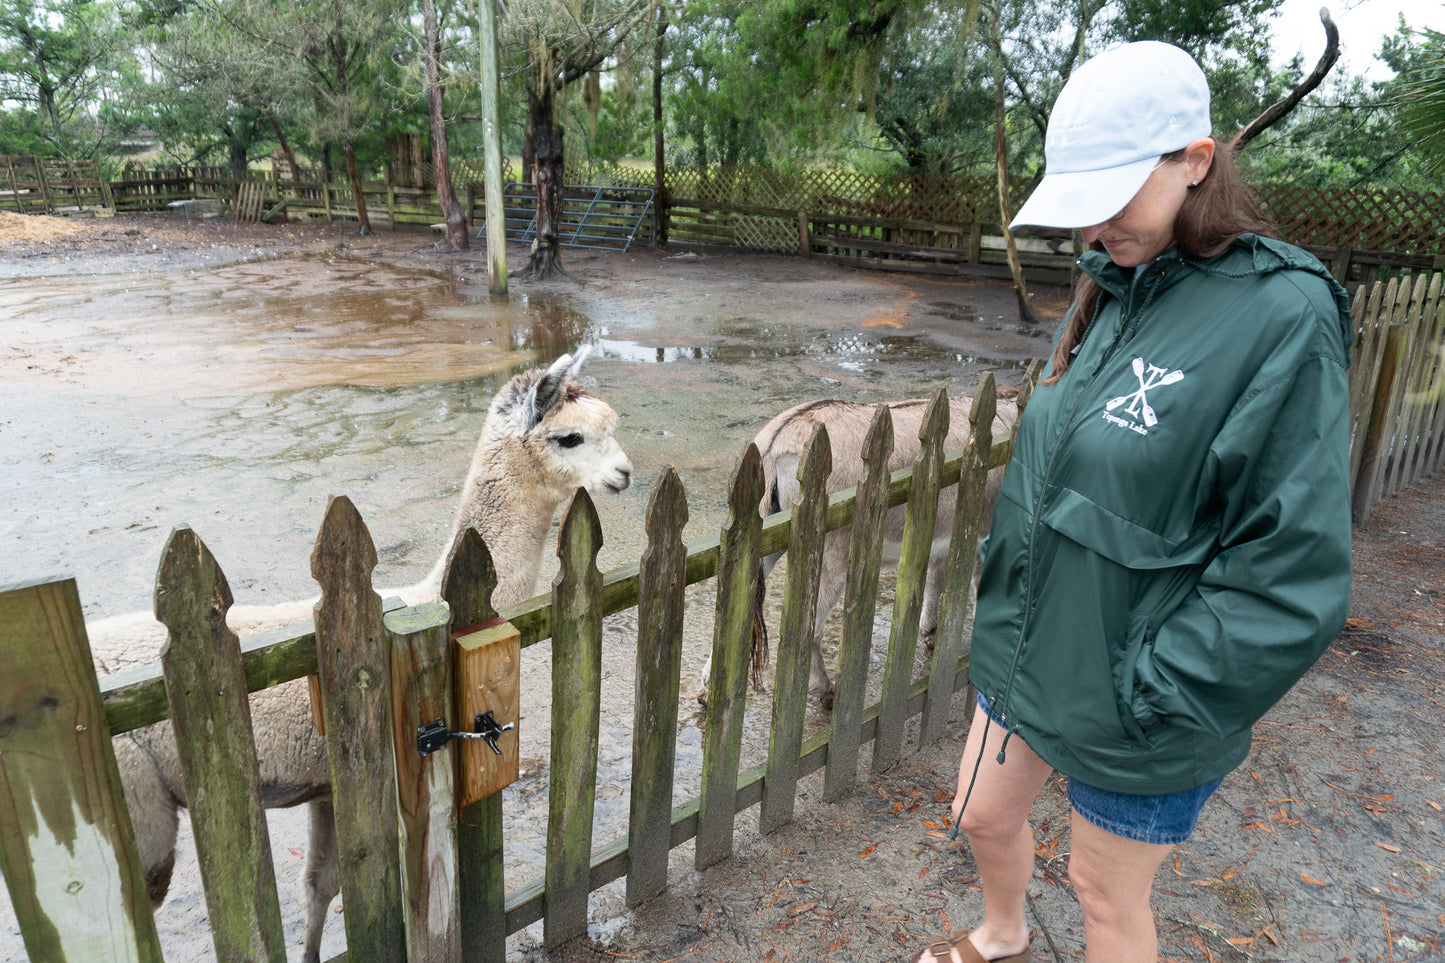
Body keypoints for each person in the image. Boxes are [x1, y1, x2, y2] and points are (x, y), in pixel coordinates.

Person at [913, 41, 1354, 963]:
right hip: (1031, 644)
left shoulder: (1283, 314)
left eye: (1110, 197)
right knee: (978, 814)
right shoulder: (1112, 279)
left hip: (1141, 689)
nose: (1088, 229)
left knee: (1104, 899)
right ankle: (1003, 933)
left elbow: (1289, 573)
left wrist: (1153, 691)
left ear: (1194, 162)